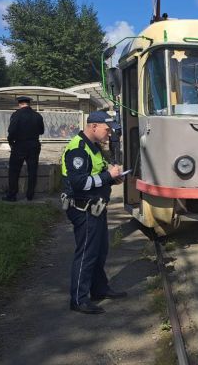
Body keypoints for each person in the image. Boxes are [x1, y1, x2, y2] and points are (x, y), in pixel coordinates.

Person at [61, 111, 126, 314]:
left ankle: (99, 289)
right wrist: (108, 176)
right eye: (107, 130)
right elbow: (80, 183)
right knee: (87, 254)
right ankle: (79, 299)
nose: (110, 134)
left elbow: (97, 173)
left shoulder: (93, 147)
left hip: (95, 207)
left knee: (99, 251)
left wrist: (113, 177)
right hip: (83, 209)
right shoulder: (78, 150)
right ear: (94, 126)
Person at [3, 96, 45, 201]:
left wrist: (10, 142)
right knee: (32, 170)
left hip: (19, 145)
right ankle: (30, 195)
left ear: (19, 104)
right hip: (34, 145)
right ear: (29, 103)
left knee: (14, 171)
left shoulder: (16, 115)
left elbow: (11, 131)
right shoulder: (37, 115)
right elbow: (41, 131)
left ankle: (12, 195)